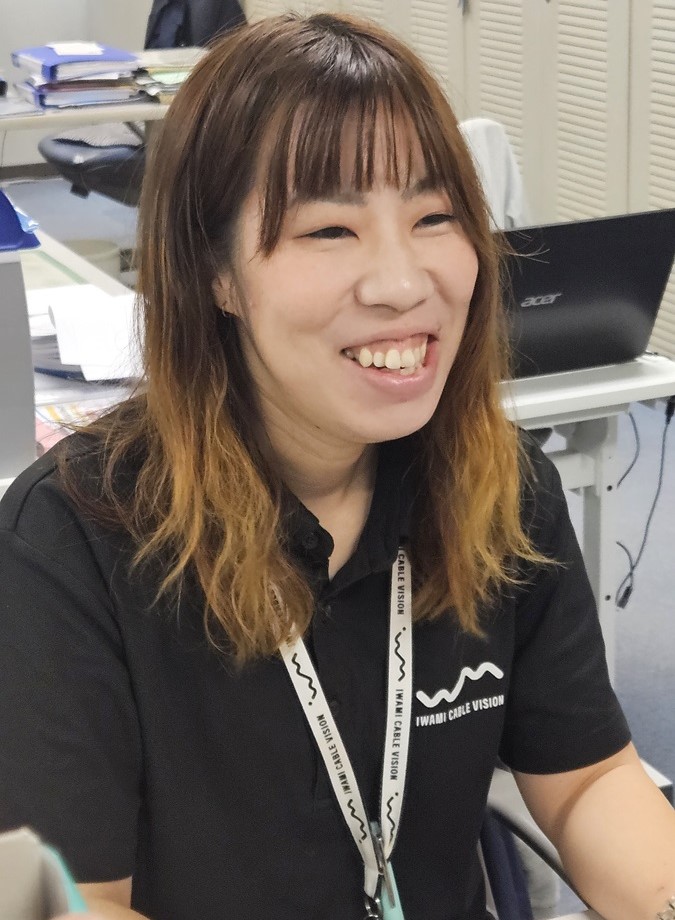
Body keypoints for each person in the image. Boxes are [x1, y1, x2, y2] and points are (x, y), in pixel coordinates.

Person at [0, 13, 674, 920]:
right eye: (328, 230)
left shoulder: (498, 488)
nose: (403, 284)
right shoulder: (69, 540)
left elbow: (588, 779)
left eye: (434, 217)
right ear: (215, 274)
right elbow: (65, 902)